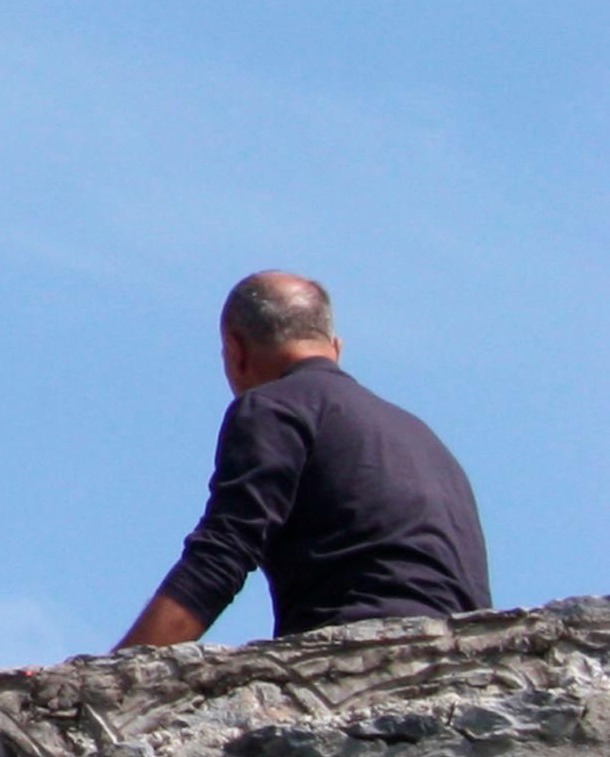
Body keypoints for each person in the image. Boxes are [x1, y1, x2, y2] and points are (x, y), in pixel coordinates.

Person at [113, 271, 489, 649]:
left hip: (362, 652)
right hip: (463, 658)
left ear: (235, 348)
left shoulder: (273, 407)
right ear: (336, 348)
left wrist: (112, 683)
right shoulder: (426, 440)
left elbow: (221, 557)